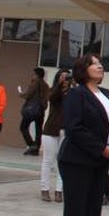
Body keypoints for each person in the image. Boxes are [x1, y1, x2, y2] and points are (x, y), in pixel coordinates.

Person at [58, 53, 109, 216]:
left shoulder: (107, 94)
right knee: (77, 210)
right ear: (82, 70)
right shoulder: (76, 94)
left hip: (100, 161)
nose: (100, 66)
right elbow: (74, 128)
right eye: (94, 64)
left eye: (100, 63)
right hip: (77, 160)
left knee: (93, 209)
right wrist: (101, 148)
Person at [40, 69, 71, 203]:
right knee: (48, 160)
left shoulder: (73, 93)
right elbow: (52, 98)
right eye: (61, 77)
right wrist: (59, 85)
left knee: (62, 161)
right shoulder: (54, 90)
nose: (64, 79)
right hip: (51, 130)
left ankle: (59, 190)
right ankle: (44, 189)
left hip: (66, 130)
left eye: (67, 77)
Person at [19, 67, 50, 156]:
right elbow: (46, 98)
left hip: (31, 109)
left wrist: (21, 93)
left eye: (33, 74)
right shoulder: (46, 85)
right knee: (38, 130)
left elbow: (27, 94)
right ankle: (36, 148)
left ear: (37, 75)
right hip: (40, 110)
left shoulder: (34, 84)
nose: (32, 76)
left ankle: (32, 145)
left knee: (23, 127)